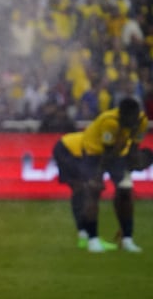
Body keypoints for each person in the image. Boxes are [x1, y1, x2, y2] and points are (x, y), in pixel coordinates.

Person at [52, 98, 149, 253]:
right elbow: (107, 154)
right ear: (121, 115)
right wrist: (97, 177)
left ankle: (127, 238)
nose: (130, 123)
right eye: (127, 119)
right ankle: (92, 239)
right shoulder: (110, 122)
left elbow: (133, 149)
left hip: (117, 153)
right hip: (93, 152)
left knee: (125, 191)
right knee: (92, 191)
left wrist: (131, 167)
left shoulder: (142, 121)